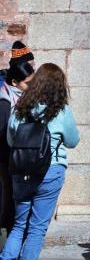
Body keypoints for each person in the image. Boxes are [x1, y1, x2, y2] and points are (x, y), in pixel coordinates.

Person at [0, 63, 79, 260]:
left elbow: (11, 140)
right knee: (37, 228)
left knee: (19, 225)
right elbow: (72, 141)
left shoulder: (20, 107)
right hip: (50, 171)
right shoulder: (61, 110)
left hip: (21, 171)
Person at [0, 63, 35, 238]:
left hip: (15, 160)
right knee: (7, 201)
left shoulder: (20, 99)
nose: (32, 87)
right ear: (14, 82)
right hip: (5, 161)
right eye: (28, 83)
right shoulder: (4, 103)